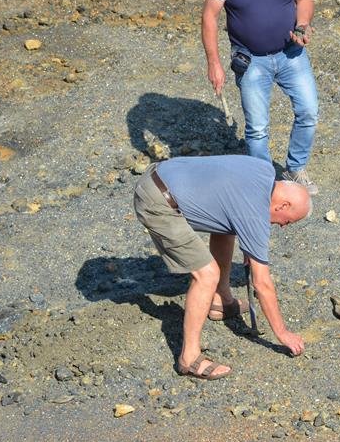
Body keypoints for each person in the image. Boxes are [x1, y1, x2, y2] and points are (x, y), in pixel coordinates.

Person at [133, 155, 310, 380]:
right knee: (206, 274)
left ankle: (221, 301)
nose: (283, 226)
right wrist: (283, 333)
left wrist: (250, 240)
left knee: (226, 227)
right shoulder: (254, 210)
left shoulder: (263, 171)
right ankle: (189, 358)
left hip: (161, 174)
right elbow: (262, 284)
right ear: (283, 205)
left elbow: (228, 204)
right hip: (157, 201)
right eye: (289, 221)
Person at [202, 0, 320, 195]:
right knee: (257, 128)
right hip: (251, 59)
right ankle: (263, 182)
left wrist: (302, 24)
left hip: (291, 53)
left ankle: (295, 169)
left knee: (309, 112)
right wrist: (214, 63)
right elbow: (209, 16)